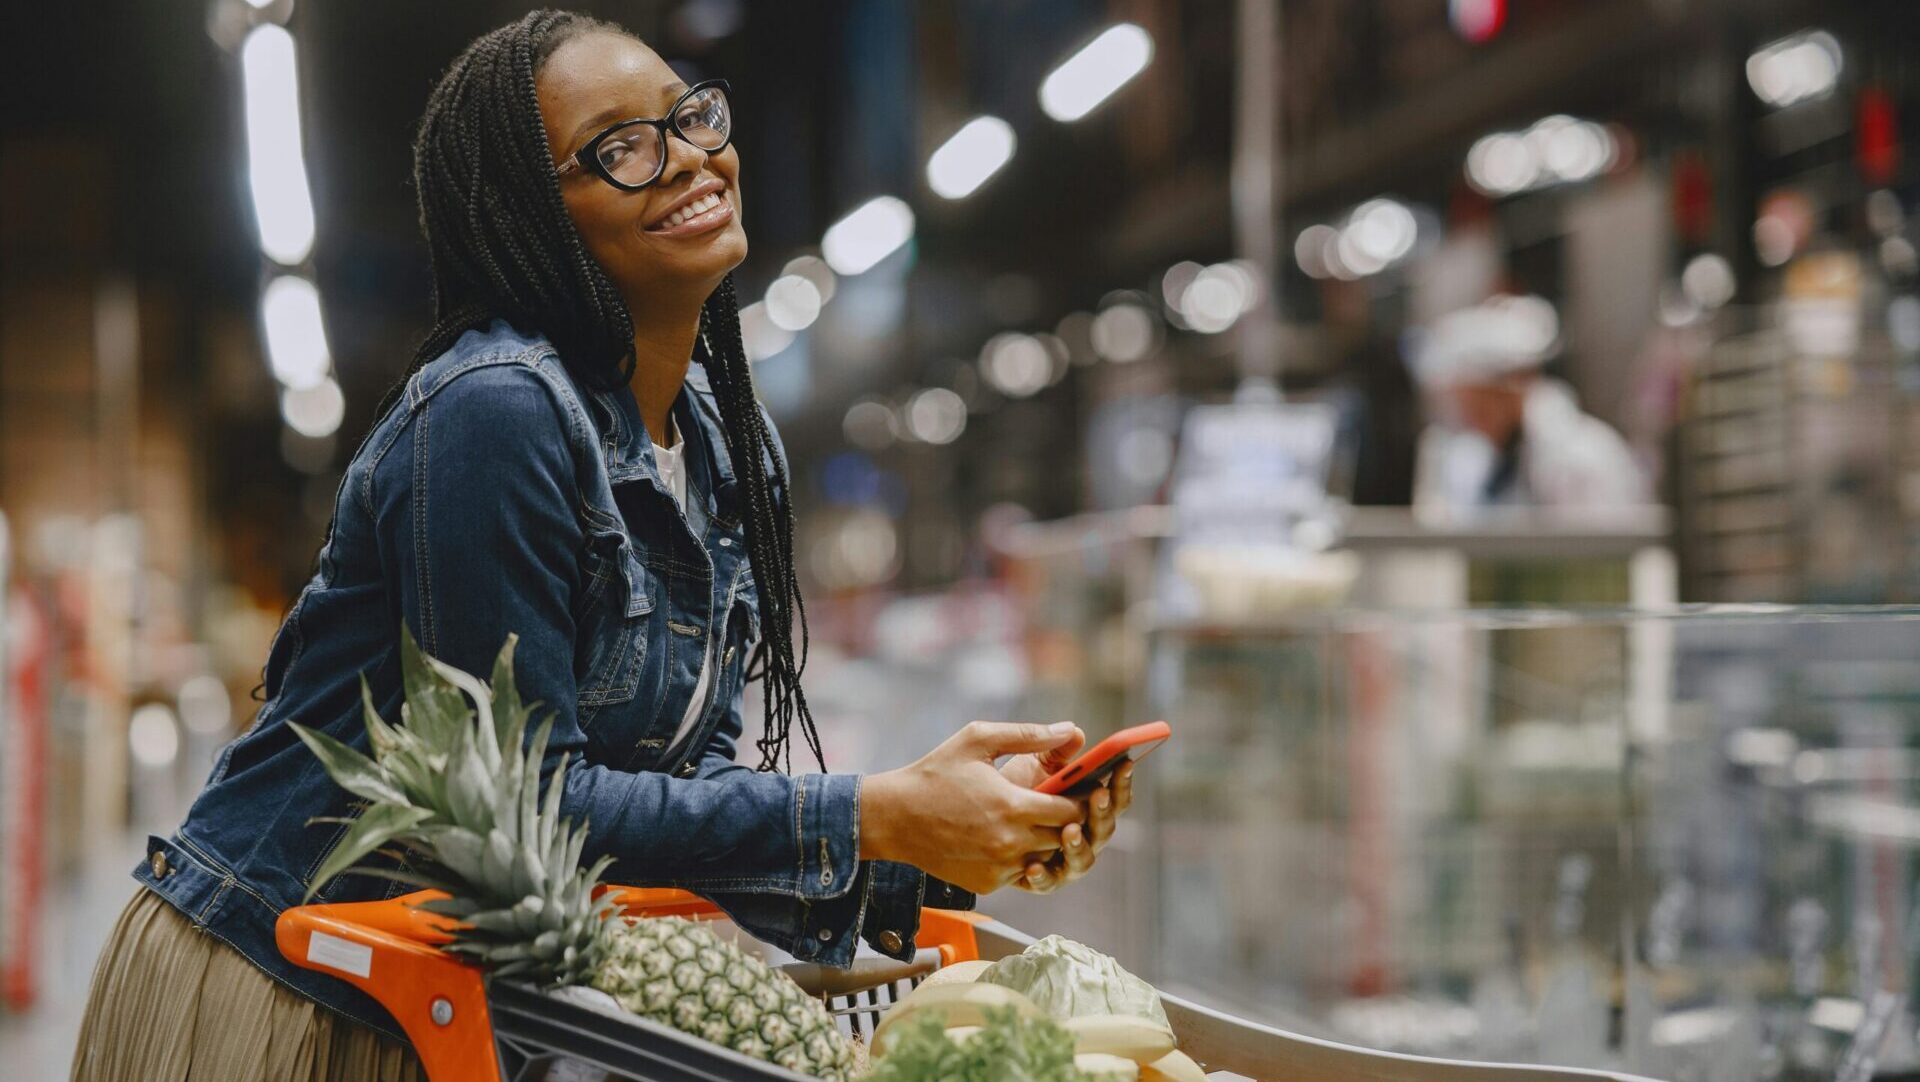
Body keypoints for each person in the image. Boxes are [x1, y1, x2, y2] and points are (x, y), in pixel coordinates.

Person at [71, 12, 1129, 1081]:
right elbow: (534, 800)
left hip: (454, 997)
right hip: (292, 975)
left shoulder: (726, 441)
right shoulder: (497, 412)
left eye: (691, 115)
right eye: (621, 148)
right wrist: (873, 810)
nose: (691, 159)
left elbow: (678, 786)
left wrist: (933, 838)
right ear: (529, 215)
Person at [1411, 295, 1647, 517]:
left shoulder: (1582, 458)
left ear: (1512, 387)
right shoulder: (1472, 459)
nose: (1463, 414)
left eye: (1472, 400)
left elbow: (1597, 552)